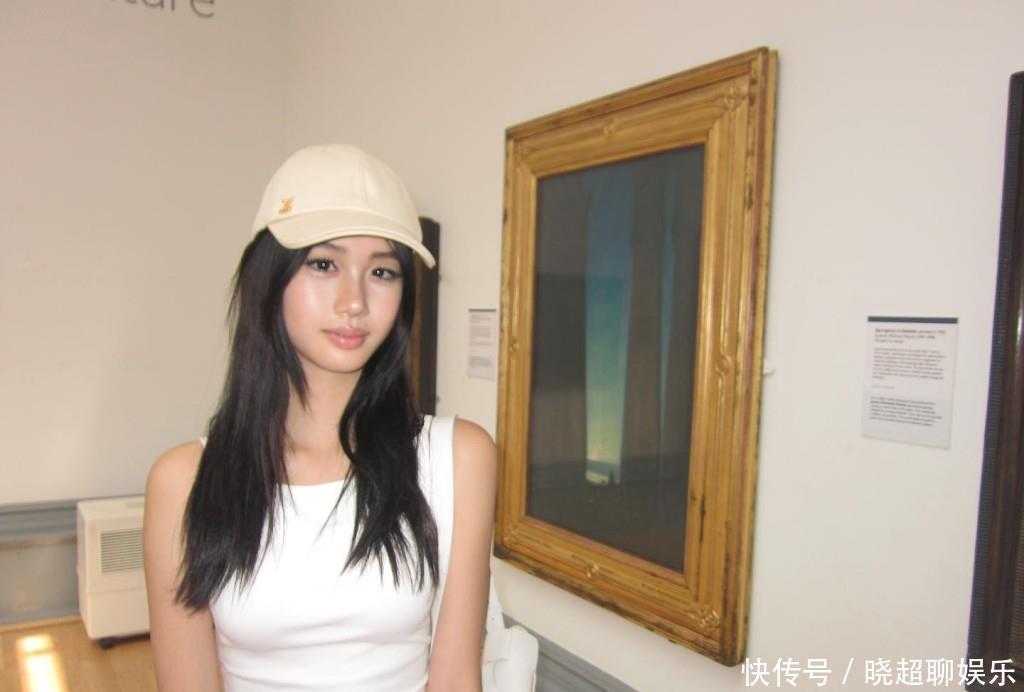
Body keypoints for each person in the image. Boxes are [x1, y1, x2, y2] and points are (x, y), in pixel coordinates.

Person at [143, 144, 497, 691]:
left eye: (382, 271)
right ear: (269, 278)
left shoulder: (457, 458)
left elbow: (455, 679)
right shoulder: (184, 481)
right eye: (324, 264)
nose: (354, 301)